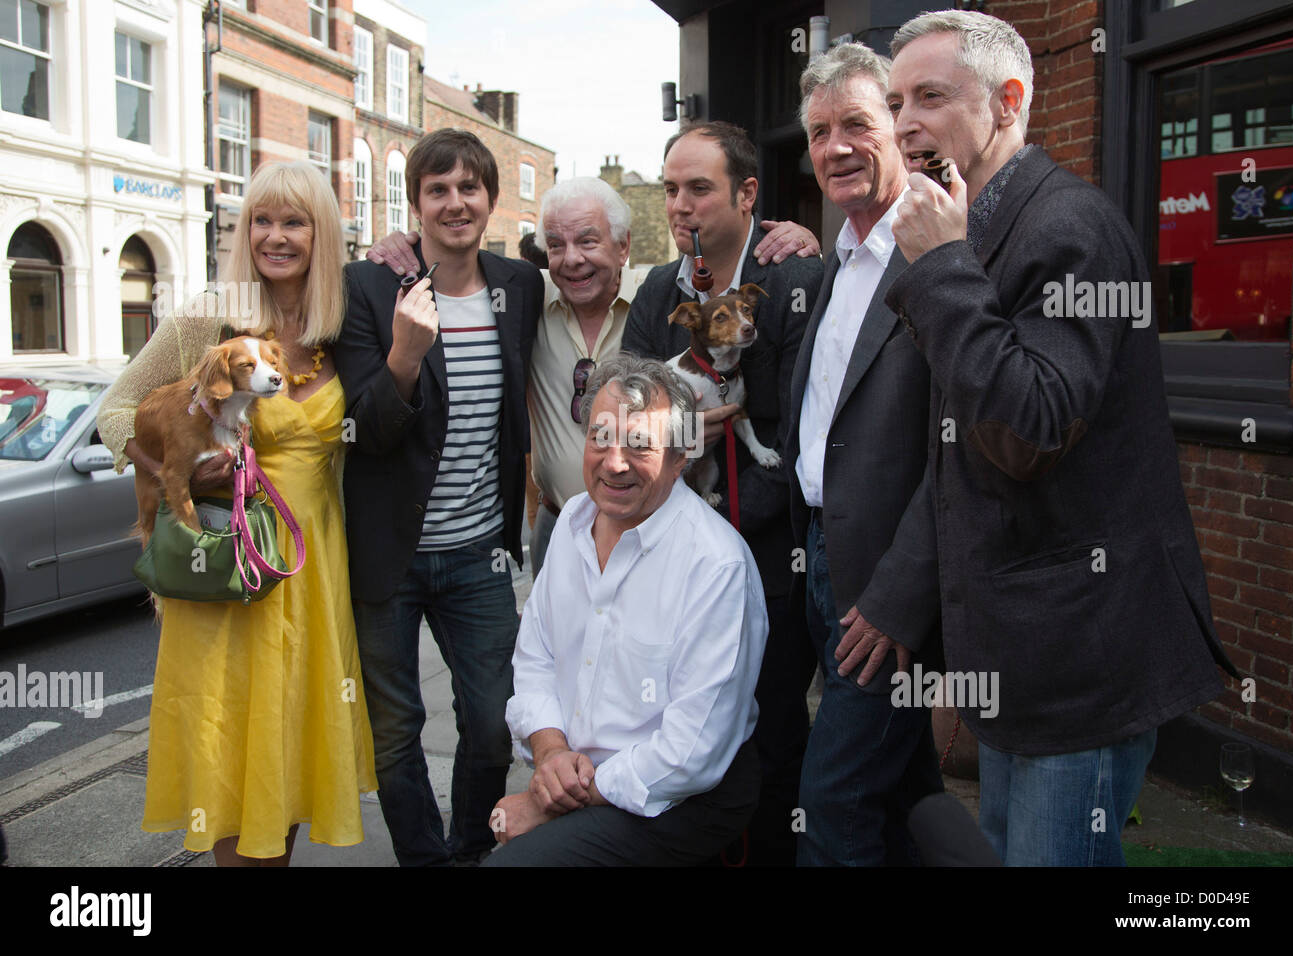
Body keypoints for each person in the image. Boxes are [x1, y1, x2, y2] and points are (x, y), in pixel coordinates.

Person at [884, 9, 1236, 865]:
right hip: (1020, 652)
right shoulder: (973, 223)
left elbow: (1028, 427)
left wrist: (939, 269)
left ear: (1008, 102)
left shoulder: (1068, 228)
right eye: (896, 101)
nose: (903, 124)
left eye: (931, 96)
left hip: (1082, 656)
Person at [97, 161, 378, 866]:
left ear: (321, 235)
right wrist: (177, 471)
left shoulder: (338, 325)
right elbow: (115, 411)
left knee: (282, 757)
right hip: (226, 573)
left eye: (294, 222)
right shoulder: (207, 317)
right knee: (230, 757)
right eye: (262, 220)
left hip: (310, 572)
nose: (275, 237)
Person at [366, 182, 820, 577]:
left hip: (646, 523)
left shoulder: (658, 296)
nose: (572, 260)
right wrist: (403, 243)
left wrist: (799, 237)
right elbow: (459, 261)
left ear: (623, 247)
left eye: (588, 241)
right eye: (557, 245)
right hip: (556, 523)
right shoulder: (528, 296)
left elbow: (730, 278)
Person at [336, 128, 542, 866]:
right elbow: (363, 428)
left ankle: (466, 854)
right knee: (395, 731)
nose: (455, 202)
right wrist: (404, 356)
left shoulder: (519, 286)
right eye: (437, 190)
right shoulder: (369, 286)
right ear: (416, 203)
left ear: (490, 199)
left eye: (469, 188)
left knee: (492, 723)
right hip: (388, 557)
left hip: (479, 551)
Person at [621, 121, 823, 866]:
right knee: (676, 726)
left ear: (747, 194)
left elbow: (802, 433)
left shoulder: (798, 277)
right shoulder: (654, 289)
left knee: (769, 730)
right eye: (671, 188)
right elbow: (624, 407)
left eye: (698, 189)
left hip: (769, 559)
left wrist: (730, 518)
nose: (679, 205)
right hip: (673, 555)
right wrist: (671, 439)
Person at [482, 353, 767, 865]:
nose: (614, 462)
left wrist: (551, 803)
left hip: (677, 795)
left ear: (682, 457)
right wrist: (548, 754)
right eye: (600, 438)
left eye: (640, 444)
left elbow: (690, 753)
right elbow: (537, 659)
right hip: (578, 772)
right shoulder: (573, 520)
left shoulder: (715, 565)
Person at [788, 42, 943, 866]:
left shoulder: (937, 252)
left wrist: (899, 597)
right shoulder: (835, 259)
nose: (836, 146)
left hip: (885, 585)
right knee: (902, 787)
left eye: (856, 123)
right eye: (819, 132)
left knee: (835, 798)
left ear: (899, 128)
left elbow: (961, 458)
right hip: (818, 558)